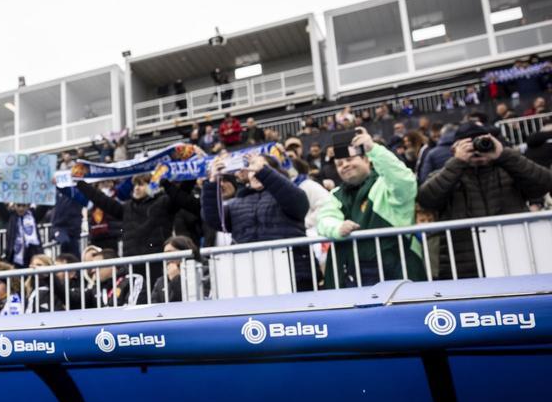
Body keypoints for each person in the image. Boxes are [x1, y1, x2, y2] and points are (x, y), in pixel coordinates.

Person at [417, 123, 552, 278]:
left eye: (481, 143)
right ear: (454, 149)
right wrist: (457, 162)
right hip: (464, 265)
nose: (477, 150)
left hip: (513, 257)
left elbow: (545, 183)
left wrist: (504, 155)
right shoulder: (446, 173)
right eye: (469, 145)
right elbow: (426, 199)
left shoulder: (509, 169)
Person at [315, 128, 426, 287]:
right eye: (339, 164)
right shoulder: (336, 194)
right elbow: (324, 219)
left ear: (367, 160)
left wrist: (373, 149)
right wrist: (338, 228)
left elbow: (404, 181)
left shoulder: (385, 184)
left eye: (349, 159)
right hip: (354, 275)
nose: (344, 165)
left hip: (398, 270)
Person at [202, 153, 314, 289]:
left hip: (294, 274)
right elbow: (214, 219)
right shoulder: (236, 202)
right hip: (251, 277)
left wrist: (264, 172)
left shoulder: (288, 193)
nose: (254, 172)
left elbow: (298, 204)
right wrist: (212, 182)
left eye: (259, 166)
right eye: (251, 168)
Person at [75, 174, 198, 287]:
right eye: (135, 185)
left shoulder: (165, 202)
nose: (136, 188)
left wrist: (167, 182)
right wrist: (80, 183)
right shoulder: (127, 208)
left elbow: (183, 192)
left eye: (141, 184)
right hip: (132, 266)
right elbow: (101, 200)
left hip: (157, 264)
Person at [149, 236, 208, 303]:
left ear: (185, 251)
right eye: (164, 254)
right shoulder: (161, 281)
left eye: (170, 252)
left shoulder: (204, 273)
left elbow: (196, 301)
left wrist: (175, 279)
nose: (166, 257)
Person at [0, 201, 50, 268]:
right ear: (14, 205)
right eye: (18, 205)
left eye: (24, 206)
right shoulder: (10, 216)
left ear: (28, 206)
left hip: (33, 254)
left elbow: (45, 205)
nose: (21, 208)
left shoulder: (34, 215)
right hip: (15, 256)